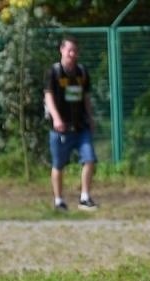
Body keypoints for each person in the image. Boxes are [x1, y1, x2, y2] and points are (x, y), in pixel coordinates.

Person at [44, 36, 97, 212]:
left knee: (89, 159)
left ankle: (85, 197)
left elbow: (86, 97)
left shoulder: (82, 72)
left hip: (81, 127)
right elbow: (49, 96)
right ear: (62, 50)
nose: (73, 54)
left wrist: (90, 117)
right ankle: (59, 201)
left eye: (75, 51)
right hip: (60, 129)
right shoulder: (54, 72)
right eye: (69, 50)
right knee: (59, 164)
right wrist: (57, 118)